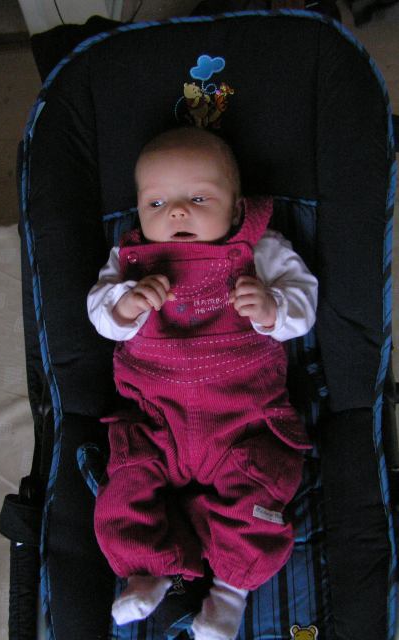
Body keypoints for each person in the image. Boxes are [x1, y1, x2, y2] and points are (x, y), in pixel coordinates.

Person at [87, 127, 318, 640]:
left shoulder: (261, 250)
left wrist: (273, 308)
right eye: (156, 203)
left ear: (236, 210)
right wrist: (125, 305)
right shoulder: (130, 261)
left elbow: (304, 304)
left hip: (243, 422)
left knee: (259, 498)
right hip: (156, 422)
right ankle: (150, 570)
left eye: (197, 199)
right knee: (123, 491)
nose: (176, 213)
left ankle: (230, 592)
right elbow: (100, 315)